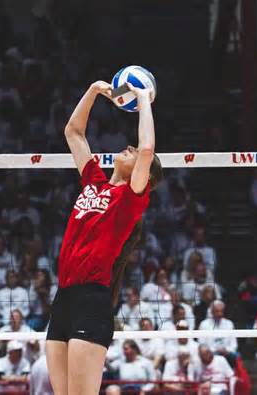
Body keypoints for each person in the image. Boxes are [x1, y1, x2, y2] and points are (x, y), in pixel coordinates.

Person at [46, 80, 163, 395]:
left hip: (91, 301)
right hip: (64, 298)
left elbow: (148, 148)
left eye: (135, 153)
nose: (132, 149)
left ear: (144, 173)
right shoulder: (93, 182)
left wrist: (142, 98)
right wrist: (94, 91)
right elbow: (73, 132)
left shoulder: (130, 198)